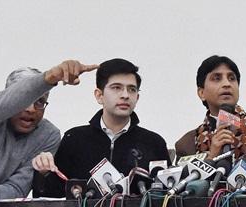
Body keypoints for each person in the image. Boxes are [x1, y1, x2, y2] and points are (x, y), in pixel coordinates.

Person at [32, 58, 170, 197]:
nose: (125, 95)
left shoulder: (153, 143)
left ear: (137, 97)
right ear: (99, 95)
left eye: (132, 89)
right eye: (116, 88)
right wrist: (43, 173)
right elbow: (51, 196)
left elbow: (167, 197)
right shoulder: (74, 139)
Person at [0, 61, 97, 199]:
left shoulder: (48, 135)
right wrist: (51, 76)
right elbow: (2, 104)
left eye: (39, 101)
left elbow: (14, 192)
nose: (30, 109)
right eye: (23, 102)